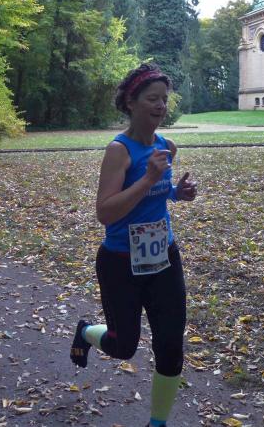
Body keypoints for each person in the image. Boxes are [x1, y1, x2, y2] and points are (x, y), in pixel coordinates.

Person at [70, 63, 197, 427]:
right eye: (152, 99)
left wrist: (177, 193)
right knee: (123, 346)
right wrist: (148, 180)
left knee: (170, 345)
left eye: (164, 99)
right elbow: (106, 212)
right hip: (120, 263)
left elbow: (158, 194)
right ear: (131, 102)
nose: (160, 106)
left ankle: (158, 423)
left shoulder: (166, 147)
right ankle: (86, 332)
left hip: (163, 258)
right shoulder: (119, 151)